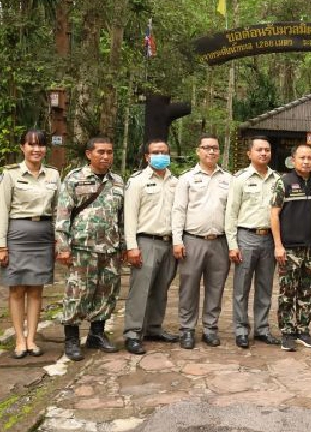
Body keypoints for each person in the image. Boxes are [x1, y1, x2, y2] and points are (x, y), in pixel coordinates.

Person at [55, 137, 125, 361]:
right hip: (82, 247)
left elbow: (121, 217)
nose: (106, 156)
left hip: (110, 247)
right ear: (89, 154)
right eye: (101, 152)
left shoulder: (118, 181)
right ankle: (72, 339)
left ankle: (97, 333)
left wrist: (122, 245)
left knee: (106, 293)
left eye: (109, 152)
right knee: (78, 293)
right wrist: (63, 247)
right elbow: (63, 214)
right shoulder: (75, 179)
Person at [0, 129, 60, 359]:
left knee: (36, 289)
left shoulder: (53, 175)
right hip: (17, 234)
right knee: (16, 288)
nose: (36, 149)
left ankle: (32, 339)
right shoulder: (10, 174)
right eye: (31, 145)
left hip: (43, 235)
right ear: (22, 147)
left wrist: (57, 241)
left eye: (41, 145)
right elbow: (1, 210)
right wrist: (1, 245)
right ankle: (19, 340)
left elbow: (56, 211)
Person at [172, 133, 232, 349]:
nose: (211, 151)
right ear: (198, 151)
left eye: (215, 148)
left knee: (216, 287)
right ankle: (187, 329)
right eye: (206, 147)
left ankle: (210, 328)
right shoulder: (187, 178)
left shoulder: (228, 179)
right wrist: (177, 240)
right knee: (188, 287)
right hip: (192, 240)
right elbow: (178, 210)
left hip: (220, 241)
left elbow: (232, 212)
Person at [122, 139, 179, 355]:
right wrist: (131, 247)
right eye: (155, 152)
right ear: (147, 157)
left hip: (169, 242)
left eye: (164, 151)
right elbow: (129, 216)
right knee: (140, 290)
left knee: (161, 288)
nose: (160, 155)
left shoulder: (176, 182)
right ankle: (133, 333)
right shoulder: (137, 181)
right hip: (145, 241)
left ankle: (154, 327)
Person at [225, 136, 282, 348]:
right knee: (241, 287)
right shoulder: (240, 178)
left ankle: (262, 328)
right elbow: (231, 213)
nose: (264, 153)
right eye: (259, 150)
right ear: (250, 153)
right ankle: (241, 329)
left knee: (265, 286)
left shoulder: (277, 179)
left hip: (269, 238)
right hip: (245, 237)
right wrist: (232, 244)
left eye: (267, 149)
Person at [271, 144, 311, 352]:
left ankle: (303, 329)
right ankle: (286, 332)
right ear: (293, 160)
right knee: (287, 292)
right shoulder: (283, 183)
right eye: (302, 157)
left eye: (310, 158)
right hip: (289, 249)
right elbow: (274, 213)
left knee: (308, 292)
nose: (306, 161)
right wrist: (278, 245)